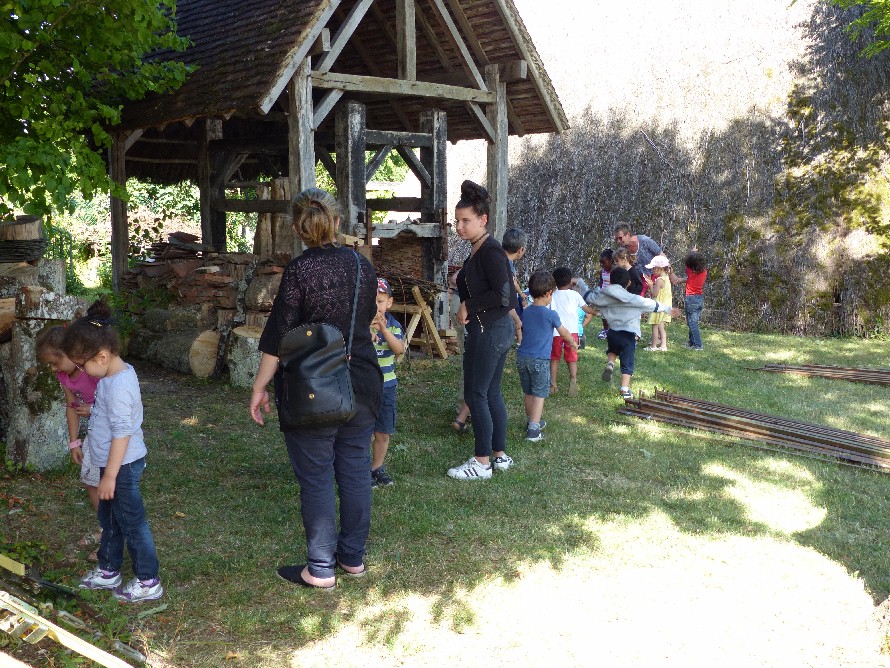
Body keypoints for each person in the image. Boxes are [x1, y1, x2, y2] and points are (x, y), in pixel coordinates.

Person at [250, 187, 381, 589]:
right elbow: (367, 317)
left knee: (318, 477)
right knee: (356, 472)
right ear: (337, 222)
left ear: (297, 228)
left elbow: (278, 337)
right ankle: (352, 558)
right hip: (360, 381)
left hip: (314, 389)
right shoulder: (363, 266)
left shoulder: (299, 272)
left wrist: (258, 388)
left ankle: (320, 568)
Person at [62, 300, 163, 602]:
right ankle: (109, 570)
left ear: (102, 356)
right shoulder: (110, 376)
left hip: (123, 466)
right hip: (112, 464)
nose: (82, 372)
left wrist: (110, 477)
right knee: (110, 519)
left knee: (132, 522)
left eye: (83, 365)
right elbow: (110, 414)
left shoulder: (119, 386)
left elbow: (122, 433)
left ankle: (148, 580)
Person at [448, 180, 517, 481]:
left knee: (476, 393)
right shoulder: (479, 251)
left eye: (465, 221)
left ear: (483, 220)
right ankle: (499, 456)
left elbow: (505, 296)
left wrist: (468, 306)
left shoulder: (491, 252)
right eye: (456, 221)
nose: (459, 227)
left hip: (489, 330)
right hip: (493, 330)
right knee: (490, 392)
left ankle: (482, 462)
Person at [36, 325, 101, 558]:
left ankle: (113, 535)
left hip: (113, 434)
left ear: (70, 353)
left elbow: (115, 401)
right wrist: (74, 442)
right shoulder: (63, 375)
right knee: (90, 479)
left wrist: (94, 409)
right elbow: (71, 406)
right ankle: (104, 527)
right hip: (94, 432)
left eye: (55, 362)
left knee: (111, 485)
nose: (53, 369)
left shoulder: (93, 370)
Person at [591, 267, 680, 399]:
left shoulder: (606, 297)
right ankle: (625, 390)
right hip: (628, 335)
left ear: (610, 282)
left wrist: (582, 287)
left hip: (613, 332)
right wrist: (668, 309)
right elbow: (652, 305)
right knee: (627, 362)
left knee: (613, 350)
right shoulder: (633, 299)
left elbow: (592, 298)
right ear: (628, 283)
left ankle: (610, 363)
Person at [517, 271, 577, 441]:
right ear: (549, 293)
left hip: (522, 358)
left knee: (528, 392)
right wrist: (572, 343)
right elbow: (564, 332)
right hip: (539, 360)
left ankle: (531, 421)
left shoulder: (526, 311)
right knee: (539, 393)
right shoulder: (551, 314)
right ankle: (534, 430)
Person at [371, 278, 405, 487]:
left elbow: (399, 349)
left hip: (387, 386)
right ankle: (360, 468)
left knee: (383, 431)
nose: (376, 307)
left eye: (380, 301)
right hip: (364, 387)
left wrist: (383, 331)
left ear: (389, 303)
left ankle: (377, 467)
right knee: (363, 432)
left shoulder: (393, 326)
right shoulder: (360, 325)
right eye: (371, 301)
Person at [549, 267, 596, 398]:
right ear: (570, 281)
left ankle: (553, 385)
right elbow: (586, 309)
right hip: (572, 332)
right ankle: (573, 381)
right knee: (572, 358)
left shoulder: (552, 295)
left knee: (554, 358)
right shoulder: (575, 295)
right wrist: (596, 312)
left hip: (556, 331)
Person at [448, 270, 471, 433]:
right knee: (471, 361)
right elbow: (455, 278)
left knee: (470, 360)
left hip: (462, 304)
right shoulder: (483, 256)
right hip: (466, 308)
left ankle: (465, 409)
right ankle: (464, 411)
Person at [670, 250, 708, 350]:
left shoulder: (690, 271)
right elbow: (691, 279)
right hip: (699, 298)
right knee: (692, 321)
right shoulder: (703, 271)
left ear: (691, 266)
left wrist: (692, 252)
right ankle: (691, 342)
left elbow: (688, 266)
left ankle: (698, 345)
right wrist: (694, 253)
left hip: (691, 299)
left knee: (691, 323)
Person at [614, 223, 662, 294]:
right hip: (639, 281)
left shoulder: (644, 241)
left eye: (620, 238)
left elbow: (661, 255)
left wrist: (671, 274)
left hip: (655, 276)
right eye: (616, 239)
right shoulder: (622, 250)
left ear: (628, 234)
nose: (618, 241)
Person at [643, 255, 673, 351]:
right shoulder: (666, 278)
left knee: (655, 326)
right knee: (661, 327)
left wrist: (651, 285)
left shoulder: (659, 280)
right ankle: (663, 346)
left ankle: (653, 346)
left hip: (658, 306)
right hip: (665, 306)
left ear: (659, 269)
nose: (652, 271)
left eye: (653, 268)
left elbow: (654, 293)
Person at [501, 228, 527, 319]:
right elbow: (512, 281)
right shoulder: (507, 264)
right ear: (521, 250)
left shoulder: (497, 258)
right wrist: (521, 293)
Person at [597, 249, 613, 339]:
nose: (602, 265)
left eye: (604, 262)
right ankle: (605, 330)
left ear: (611, 261)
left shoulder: (615, 271)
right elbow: (601, 282)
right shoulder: (602, 272)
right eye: (600, 263)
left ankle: (612, 330)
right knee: (604, 314)